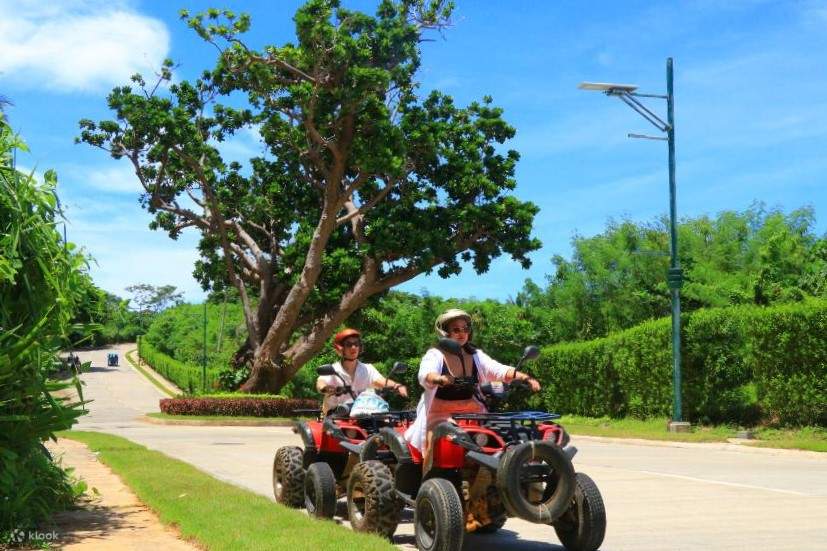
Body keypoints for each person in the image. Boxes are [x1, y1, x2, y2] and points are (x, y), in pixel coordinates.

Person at [404, 309, 541, 470]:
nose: (462, 333)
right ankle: (429, 485)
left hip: (473, 411)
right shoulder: (435, 354)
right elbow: (425, 373)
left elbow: (498, 370)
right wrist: (438, 378)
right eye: (456, 329)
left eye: (465, 328)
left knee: (502, 436)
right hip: (440, 414)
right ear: (444, 332)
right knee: (433, 448)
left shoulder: (475, 354)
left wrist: (525, 377)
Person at [316, 328, 408, 415]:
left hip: (360, 414)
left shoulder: (367, 369)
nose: (353, 347)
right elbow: (320, 382)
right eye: (348, 344)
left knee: (387, 421)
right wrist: (326, 388)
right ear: (340, 348)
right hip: (336, 415)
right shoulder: (334, 370)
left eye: (356, 344)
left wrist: (397, 386)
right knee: (351, 431)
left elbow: (381, 381)